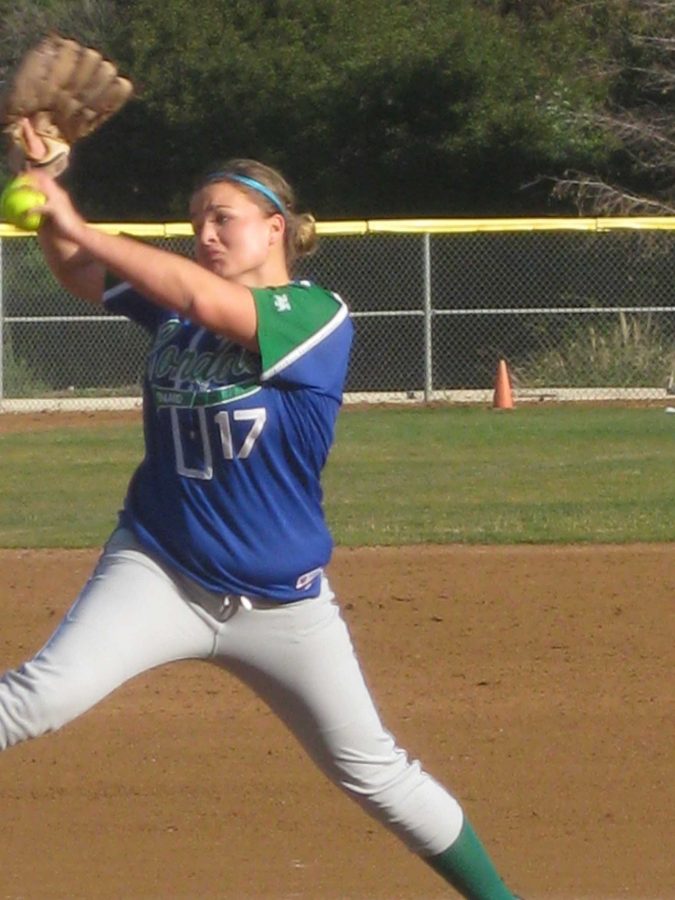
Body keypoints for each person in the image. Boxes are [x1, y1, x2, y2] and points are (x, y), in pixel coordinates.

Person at [0, 120, 522, 900]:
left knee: (374, 772)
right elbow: (80, 273)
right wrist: (48, 186)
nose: (204, 233)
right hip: (159, 568)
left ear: (275, 227)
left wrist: (80, 222)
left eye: (222, 218)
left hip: (284, 603)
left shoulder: (315, 315)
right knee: (38, 697)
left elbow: (205, 299)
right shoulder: (178, 313)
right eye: (195, 222)